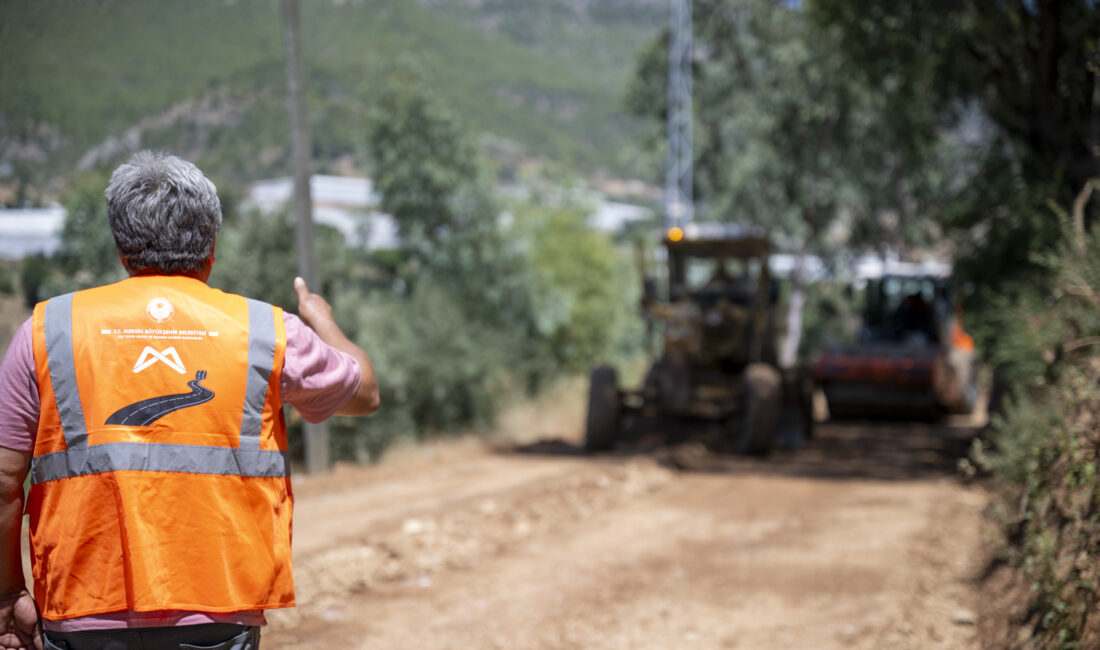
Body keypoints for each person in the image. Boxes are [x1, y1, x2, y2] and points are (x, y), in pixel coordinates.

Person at [0, 151, 380, 650]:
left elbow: (5, 481)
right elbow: (365, 392)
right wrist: (321, 318)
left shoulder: (46, 332)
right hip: (216, 608)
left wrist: (8, 593)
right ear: (212, 245)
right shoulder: (267, 331)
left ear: (121, 246)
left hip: (82, 610)